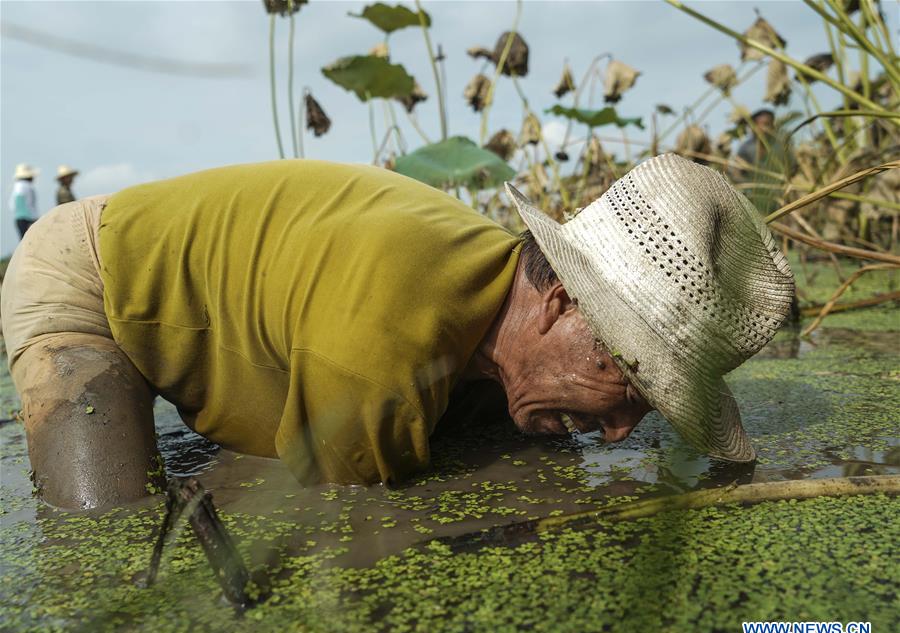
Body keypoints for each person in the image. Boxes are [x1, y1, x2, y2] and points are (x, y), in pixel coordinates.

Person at [0, 155, 794, 510]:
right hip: (90, 274)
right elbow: (339, 521)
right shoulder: (387, 335)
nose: (621, 434)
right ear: (560, 304)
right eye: (632, 384)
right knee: (102, 523)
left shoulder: (492, 307)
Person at [9, 163, 39, 238]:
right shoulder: (27, 186)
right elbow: (29, 204)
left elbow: (11, 205)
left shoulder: (16, 186)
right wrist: (34, 218)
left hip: (19, 218)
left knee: (23, 240)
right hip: (28, 218)